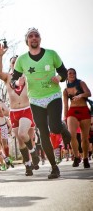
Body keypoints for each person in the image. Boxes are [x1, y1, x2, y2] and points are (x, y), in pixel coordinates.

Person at [10, 28, 71, 179]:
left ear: (40, 39)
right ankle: (54, 167)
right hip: (36, 100)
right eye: (30, 36)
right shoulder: (22, 60)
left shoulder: (51, 54)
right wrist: (18, 81)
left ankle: (62, 127)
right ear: (27, 41)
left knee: (55, 127)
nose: (34, 38)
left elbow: (64, 71)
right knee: (44, 134)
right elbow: (13, 81)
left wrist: (59, 78)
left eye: (36, 35)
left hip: (53, 96)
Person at [0, 47, 41, 176]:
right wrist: (0, 56)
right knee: (21, 141)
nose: (15, 63)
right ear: (10, 65)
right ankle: (28, 165)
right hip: (14, 112)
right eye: (12, 62)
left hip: (27, 109)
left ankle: (33, 152)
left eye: (17, 61)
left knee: (24, 134)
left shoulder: (27, 75)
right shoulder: (8, 77)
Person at [63, 68, 91, 168]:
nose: (72, 74)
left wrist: (81, 95)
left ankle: (85, 158)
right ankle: (76, 157)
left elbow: (89, 93)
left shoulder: (81, 83)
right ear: (66, 75)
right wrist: (65, 118)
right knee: (71, 135)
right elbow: (65, 106)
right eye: (70, 73)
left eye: (74, 73)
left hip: (84, 110)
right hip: (72, 111)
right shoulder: (65, 90)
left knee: (84, 138)